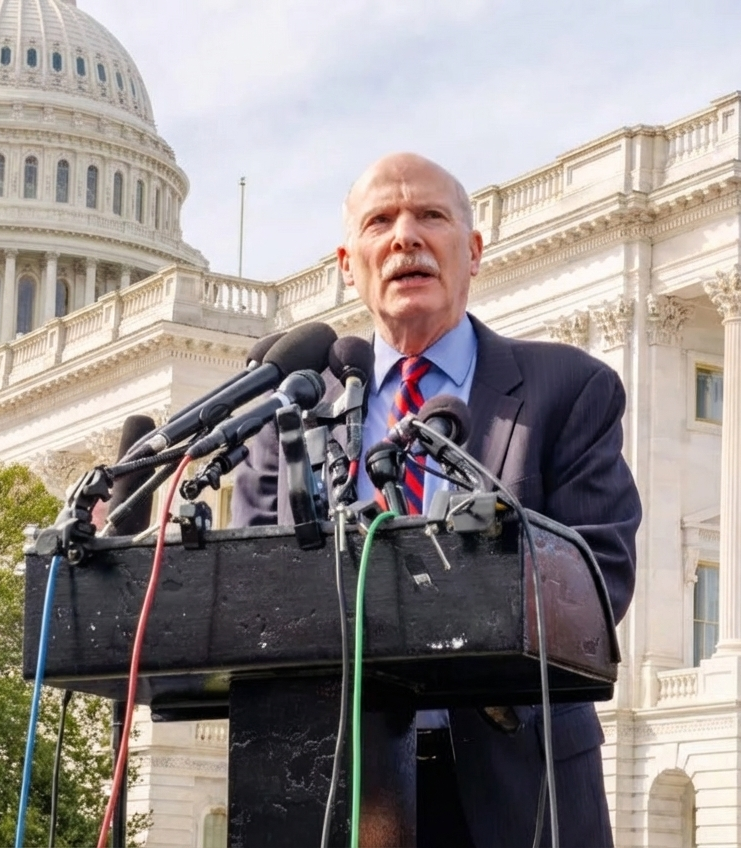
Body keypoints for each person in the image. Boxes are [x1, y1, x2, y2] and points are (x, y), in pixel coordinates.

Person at [231, 152, 641, 847]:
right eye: (380, 221)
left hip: (518, 781)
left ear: (473, 250)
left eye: (430, 216)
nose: (405, 238)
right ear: (347, 262)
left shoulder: (569, 390)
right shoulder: (288, 413)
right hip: (332, 785)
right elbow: (250, 594)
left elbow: (597, 579)